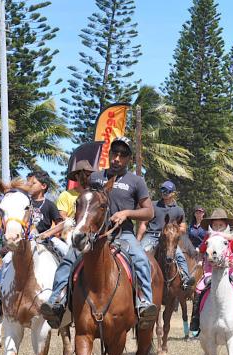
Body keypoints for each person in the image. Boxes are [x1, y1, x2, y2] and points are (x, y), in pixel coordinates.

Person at [40, 136, 157, 330]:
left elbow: (149, 212)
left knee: (141, 260)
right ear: (109, 154)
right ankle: (57, 301)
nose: (117, 158)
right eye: (114, 153)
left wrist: (127, 213)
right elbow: (87, 202)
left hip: (123, 234)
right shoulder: (96, 177)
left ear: (129, 159)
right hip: (95, 236)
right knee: (70, 257)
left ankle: (144, 304)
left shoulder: (136, 181)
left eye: (122, 155)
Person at [189, 208, 233, 333]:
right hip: (210, 272)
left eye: (221, 225)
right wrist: (200, 259)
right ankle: (195, 319)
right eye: (215, 225)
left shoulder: (230, 239)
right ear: (211, 226)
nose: (218, 227)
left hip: (229, 272)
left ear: (226, 226)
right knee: (199, 288)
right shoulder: (208, 238)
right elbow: (202, 250)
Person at [137, 180, 195, 290]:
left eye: (167, 190)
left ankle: (185, 279)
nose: (164, 192)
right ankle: (138, 279)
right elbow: (144, 224)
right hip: (152, 236)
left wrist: (174, 229)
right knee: (142, 254)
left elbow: (183, 227)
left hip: (170, 238)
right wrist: (138, 240)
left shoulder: (178, 210)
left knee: (180, 256)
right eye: (162, 189)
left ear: (173, 193)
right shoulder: (153, 205)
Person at [26, 170, 66, 255]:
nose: (29, 185)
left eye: (33, 183)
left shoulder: (50, 205)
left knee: (66, 251)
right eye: (28, 183)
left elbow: (61, 225)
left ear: (43, 186)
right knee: (6, 258)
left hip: (46, 238)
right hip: (26, 238)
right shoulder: (24, 203)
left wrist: (47, 234)